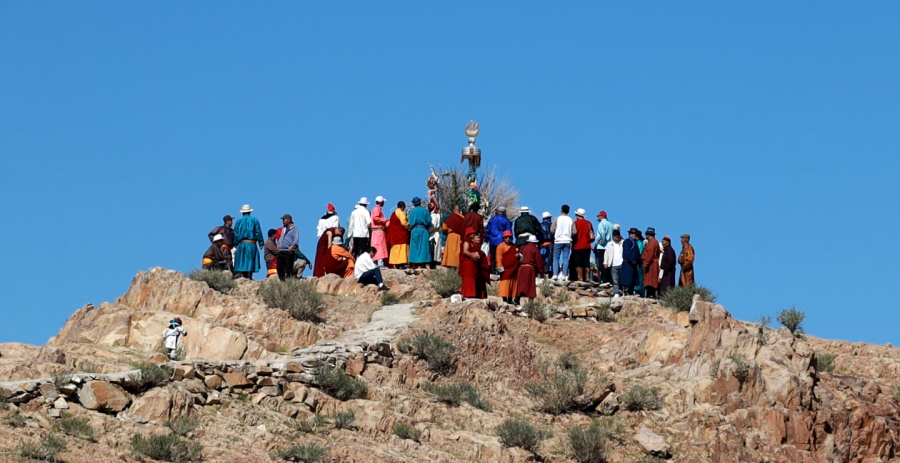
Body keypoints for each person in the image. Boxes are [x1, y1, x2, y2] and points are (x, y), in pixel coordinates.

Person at [233, 205, 265, 279]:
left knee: (241, 259)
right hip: (251, 243)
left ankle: (242, 275)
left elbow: (236, 233)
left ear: (242, 213)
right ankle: (249, 276)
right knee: (250, 260)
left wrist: (235, 243)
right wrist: (261, 242)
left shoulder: (239, 221)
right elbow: (258, 232)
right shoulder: (254, 220)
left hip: (241, 243)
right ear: (250, 212)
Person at [458, 227, 489, 299]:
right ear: (469, 234)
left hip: (473, 263)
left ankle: (472, 294)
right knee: (469, 278)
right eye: (473, 234)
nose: (474, 235)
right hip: (468, 263)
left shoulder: (472, 242)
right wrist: (472, 256)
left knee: (472, 278)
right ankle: (468, 294)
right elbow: (465, 251)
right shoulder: (466, 241)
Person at [516, 234, 544, 301]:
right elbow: (539, 261)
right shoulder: (535, 249)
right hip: (530, 268)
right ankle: (531, 301)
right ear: (534, 242)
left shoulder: (522, 247)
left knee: (521, 284)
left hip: (521, 268)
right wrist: (541, 271)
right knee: (530, 285)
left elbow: (518, 257)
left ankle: (517, 299)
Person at [550, 205, 575, 281]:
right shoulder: (571, 219)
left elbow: (552, 229)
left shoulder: (557, 219)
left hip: (558, 240)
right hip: (567, 240)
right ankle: (564, 274)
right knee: (565, 258)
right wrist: (569, 235)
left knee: (556, 258)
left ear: (561, 210)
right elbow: (574, 231)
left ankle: (555, 274)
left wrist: (556, 234)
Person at [408, 197, 432, 268]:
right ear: (420, 203)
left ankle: (415, 263)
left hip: (414, 230)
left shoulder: (412, 212)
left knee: (414, 246)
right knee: (423, 246)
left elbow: (409, 221)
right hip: (423, 229)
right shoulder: (424, 210)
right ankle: (423, 263)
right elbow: (429, 220)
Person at [485, 207, 511, 272]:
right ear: (504, 212)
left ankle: (493, 269)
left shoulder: (492, 219)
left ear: (497, 211)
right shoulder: (506, 220)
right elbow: (508, 231)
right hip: (502, 240)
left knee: (493, 256)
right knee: (501, 256)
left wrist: (486, 239)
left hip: (493, 240)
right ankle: (500, 270)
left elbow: (487, 230)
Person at [572, 208, 595, 282]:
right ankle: (587, 278)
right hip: (587, 245)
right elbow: (592, 235)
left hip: (577, 245)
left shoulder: (575, 223)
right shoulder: (589, 223)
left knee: (578, 263)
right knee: (586, 262)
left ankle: (580, 278)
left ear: (577, 215)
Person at [495, 230, 518, 304]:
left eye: (509, 237)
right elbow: (499, 257)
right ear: (503, 238)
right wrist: (500, 267)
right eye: (506, 237)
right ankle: (504, 298)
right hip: (505, 268)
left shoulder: (514, 246)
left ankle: (510, 298)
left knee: (512, 283)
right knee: (504, 283)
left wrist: (518, 256)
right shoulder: (500, 246)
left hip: (513, 268)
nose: (508, 239)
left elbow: (518, 255)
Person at [387, 201, 410, 268]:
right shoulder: (401, 213)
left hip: (395, 234)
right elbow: (403, 222)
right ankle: (401, 263)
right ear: (403, 207)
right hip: (401, 234)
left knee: (396, 248)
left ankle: (396, 263)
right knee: (402, 248)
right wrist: (408, 227)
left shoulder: (394, 213)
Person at [276, 214, 299, 281]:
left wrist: (291, 247)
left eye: (284, 219)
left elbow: (296, 239)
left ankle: (289, 281)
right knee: (279, 267)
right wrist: (278, 244)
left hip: (288, 251)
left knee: (288, 267)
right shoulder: (284, 228)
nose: (283, 221)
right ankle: (282, 281)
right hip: (281, 250)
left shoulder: (295, 229)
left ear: (288, 220)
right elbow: (281, 237)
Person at [620, 228, 641, 295]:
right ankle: (626, 292)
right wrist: (632, 260)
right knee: (627, 279)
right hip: (628, 263)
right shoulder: (627, 241)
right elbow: (627, 253)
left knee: (632, 279)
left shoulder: (635, 242)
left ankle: (631, 292)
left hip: (633, 264)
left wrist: (638, 261)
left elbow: (637, 254)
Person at [603, 230, 624, 298]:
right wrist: (605, 262)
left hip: (621, 263)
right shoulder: (609, 244)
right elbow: (606, 253)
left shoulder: (622, 243)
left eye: (618, 237)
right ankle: (616, 293)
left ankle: (623, 292)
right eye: (615, 237)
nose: (617, 239)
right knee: (615, 280)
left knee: (622, 279)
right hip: (613, 264)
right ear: (613, 237)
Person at [641, 228, 661, 299]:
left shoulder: (653, 242)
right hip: (651, 262)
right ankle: (649, 293)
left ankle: (651, 294)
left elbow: (650, 253)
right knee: (649, 279)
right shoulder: (652, 242)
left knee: (651, 279)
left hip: (651, 263)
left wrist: (646, 262)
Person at [594, 211, 613, 284]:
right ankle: (609, 279)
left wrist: (602, 241)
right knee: (609, 263)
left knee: (602, 263)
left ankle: (604, 279)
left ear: (601, 216)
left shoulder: (601, 224)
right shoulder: (610, 224)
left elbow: (602, 233)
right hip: (610, 246)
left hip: (602, 246)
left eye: (598, 216)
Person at [370, 196, 389, 265]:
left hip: (376, 231)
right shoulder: (376, 209)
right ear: (381, 202)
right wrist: (384, 220)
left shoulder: (377, 209)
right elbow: (375, 218)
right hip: (378, 231)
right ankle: (380, 263)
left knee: (376, 246)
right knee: (380, 246)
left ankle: (376, 262)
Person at [539, 212, 554, 279]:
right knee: (551, 259)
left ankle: (543, 274)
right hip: (551, 244)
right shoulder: (552, 225)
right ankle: (550, 274)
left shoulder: (539, 225)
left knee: (542, 260)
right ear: (549, 218)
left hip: (542, 245)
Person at [429, 202, 443, 267]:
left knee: (434, 246)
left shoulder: (433, 215)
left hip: (433, 233)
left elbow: (433, 225)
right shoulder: (437, 215)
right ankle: (436, 259)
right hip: (435, 232)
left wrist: (428, 231)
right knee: (437, 246)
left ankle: (434, 259)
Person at [634, 230, 646, 295]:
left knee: (639, 276)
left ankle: (639, 290)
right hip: (637, 262)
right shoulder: (636, 242)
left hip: (639, 263)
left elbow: (640, 252)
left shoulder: (640, 243)